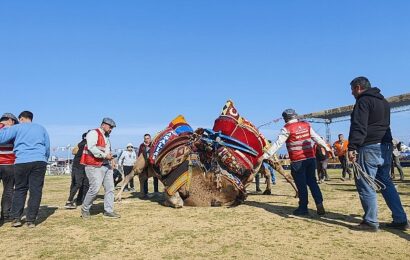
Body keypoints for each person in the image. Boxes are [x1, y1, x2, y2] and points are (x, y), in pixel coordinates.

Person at [347, 76, 408, 231]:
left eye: (352, 89)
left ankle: (370, 221)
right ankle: (400, 219)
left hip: (368, 146)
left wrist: (352, 147)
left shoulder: (363, 101)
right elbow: (385, 125)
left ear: (358, 87)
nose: (352, 93)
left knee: (365, 184)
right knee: (386, 183)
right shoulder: (384, 102)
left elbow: (359, 125)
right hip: (385, 145)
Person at [260, 109, 331, 216]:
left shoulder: (287, 128)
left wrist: (265, 155)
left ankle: (303, 208)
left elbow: (278, 144)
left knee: (301, 184)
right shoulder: (306, 125)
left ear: (285, 118)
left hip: (297, 161)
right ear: (295, 116)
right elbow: (316, 138)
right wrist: (327, 147)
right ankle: (319, 203)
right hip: (310, 159)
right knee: (312, 182)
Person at [0, 111, 50, 228]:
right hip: (39, 160)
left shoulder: (17, 127)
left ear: (21, 118)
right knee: (36, 190)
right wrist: (44, 158)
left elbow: (1, 139)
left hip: (22, 160)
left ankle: (16, 218)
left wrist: (5, 126)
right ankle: (31, 220)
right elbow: (47, 146)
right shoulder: (41, 128)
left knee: (20, 189)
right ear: (31, 118)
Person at [80, 118, 120, 219]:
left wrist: (111, 160)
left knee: (110, 188)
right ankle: (85, 209)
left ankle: (108, 210)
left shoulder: (107, 138)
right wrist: (105, 156)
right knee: (95, 189)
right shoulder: (93, 133)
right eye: (110, 127)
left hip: (106, 165)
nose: (111, 129)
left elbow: (108, 151)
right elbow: (91, 148)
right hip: (93, 166)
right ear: (103, 125)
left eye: (112, 128)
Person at [0, 113, 19, 224]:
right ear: (10, 120)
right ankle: (6, 214)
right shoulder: (13, 131)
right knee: (8, 190)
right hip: (9, 164)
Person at [64, 132, 89, 209]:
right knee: (79, 184)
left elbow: (73, 152)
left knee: (81, 183)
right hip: (80, 166)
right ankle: (69, 201)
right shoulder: (87, 144)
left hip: (77, 165)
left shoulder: (79, 144)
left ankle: (80, 200)